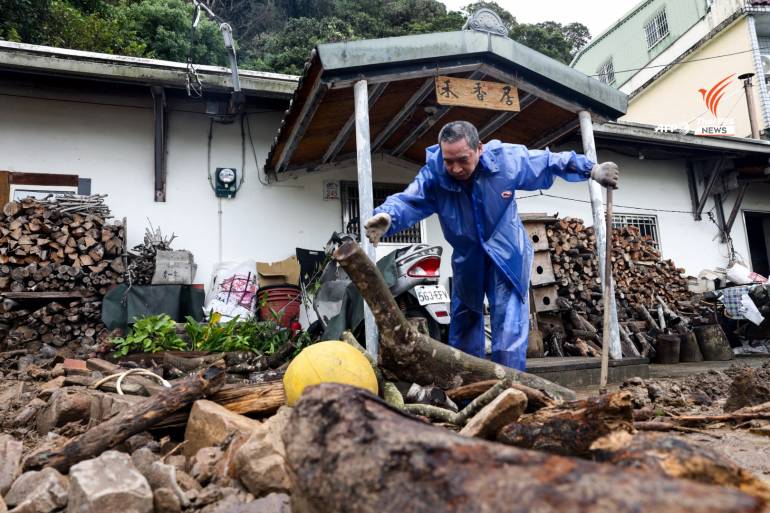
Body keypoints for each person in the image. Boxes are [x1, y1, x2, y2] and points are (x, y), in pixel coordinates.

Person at [363, 120, 618, 371]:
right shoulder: (434, 175)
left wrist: (591, 169)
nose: (455, 168)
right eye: (448, 160)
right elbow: (409, 201)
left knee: (508, 331)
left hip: (507, 253)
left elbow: (550, 162)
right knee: (463, 328)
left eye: (463, 159)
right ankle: (468, 394)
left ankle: (508, 392)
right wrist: (389, 217)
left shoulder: (506, 161)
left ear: (479, 149)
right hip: (467, 258)